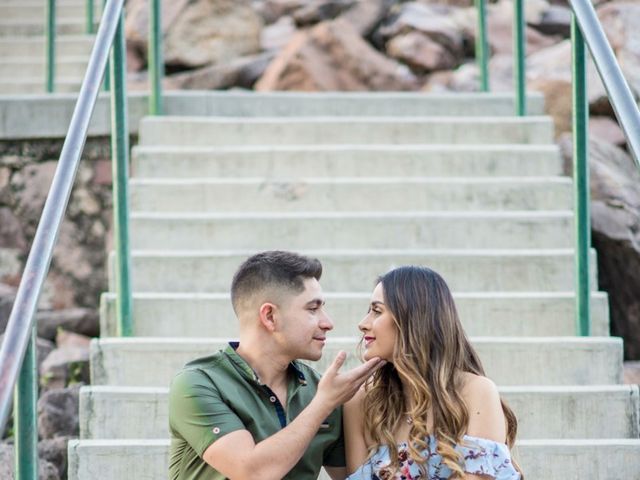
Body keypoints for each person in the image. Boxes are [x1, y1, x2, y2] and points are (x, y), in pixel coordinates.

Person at [168, 250, 385, 480]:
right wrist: (323, 404)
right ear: (270, 316)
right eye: (313, 309)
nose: (328, 322)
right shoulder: (198, 384)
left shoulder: (317, 389)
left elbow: (353, 476)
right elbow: (251, 472)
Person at [344, 266, 523, 479]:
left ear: (412, 319)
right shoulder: (362, 401)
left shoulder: (475, 392)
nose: (362, 324)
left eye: (377, 311)